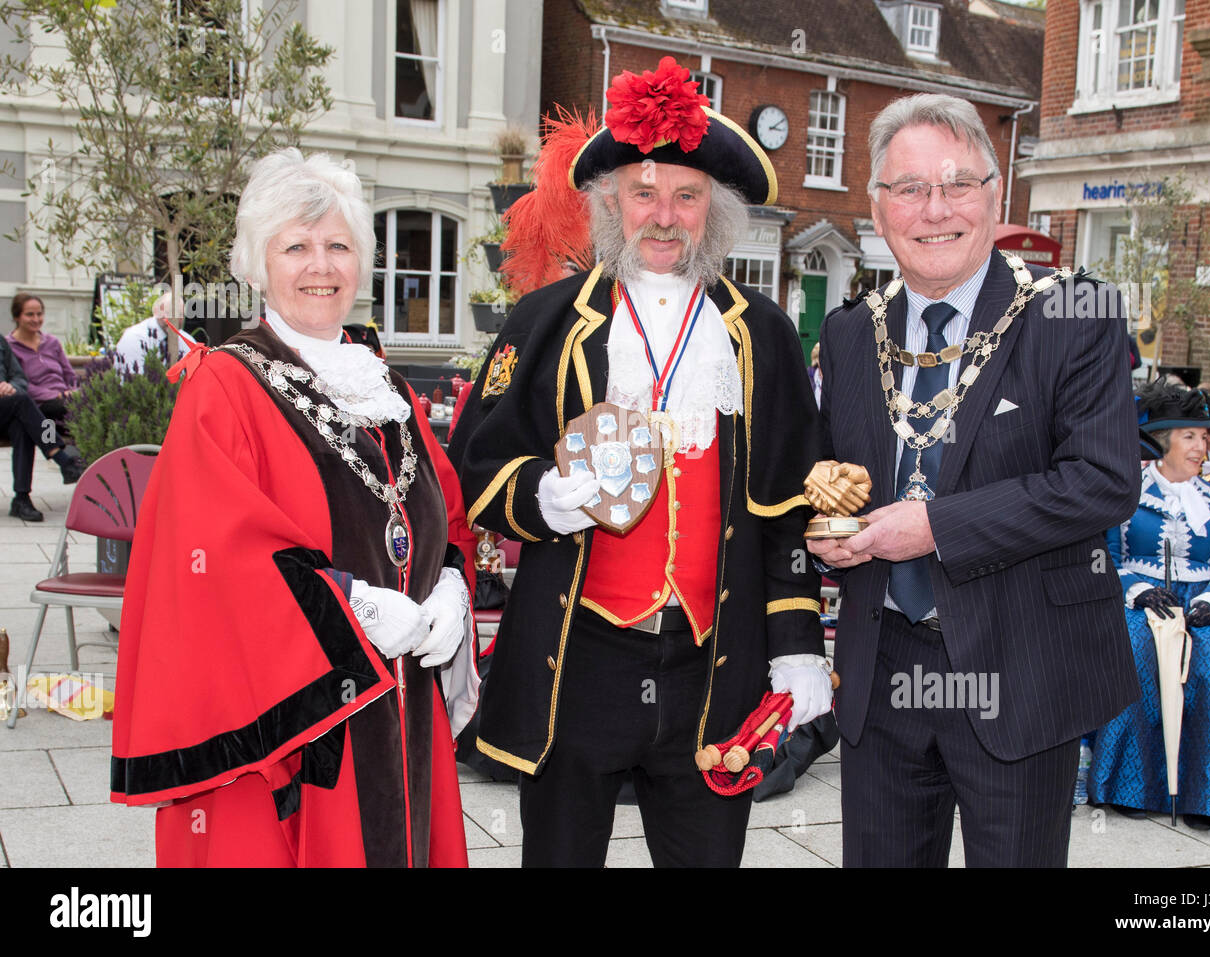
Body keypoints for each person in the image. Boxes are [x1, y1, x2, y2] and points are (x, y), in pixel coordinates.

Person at [452, 56, 829, 867]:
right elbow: (475, 464)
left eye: (687, 195)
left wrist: (798, 642)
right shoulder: (545, 321)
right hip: (577, 663)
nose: (665, 217)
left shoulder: (759, 335)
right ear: (611, 206)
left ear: (715, 210)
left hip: (713, 664)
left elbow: (793, 501)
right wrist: (544, 497)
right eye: (644, 193)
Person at [110, 149, 478, 867]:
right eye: (297, 246)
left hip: (406, 706)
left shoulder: (385, 384)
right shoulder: (226, 384)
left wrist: (454, 585)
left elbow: (442, 511)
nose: (322, 264)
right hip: (302, 733)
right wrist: (359, 607)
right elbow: (215, 558)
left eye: (339, 245)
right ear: (256, 264)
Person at [809, 93, 1140, 867]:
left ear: (997, 195)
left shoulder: (1073, 316)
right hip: (883, 669)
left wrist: (933, 527)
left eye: (959, 184)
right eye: (911, 188)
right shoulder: (852, 331)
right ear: (878, 207)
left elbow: (1102, 481)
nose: (935, 209)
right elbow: (834, 476)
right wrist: (826, 529)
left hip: (1020, 666)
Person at [1088, 381, 1210, 829]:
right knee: (1137, 651)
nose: (1202, 446)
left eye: (1204, 437)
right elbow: (1105, 557)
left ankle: (1201, 794)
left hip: (1199, 603)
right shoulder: (1128, 492)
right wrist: (1140, 590)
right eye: (1190, 436)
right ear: (1164, 442)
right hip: (1138, 597)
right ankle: (1128, 787)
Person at [1, 331, 85, 522]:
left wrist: (12, 387)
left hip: (16, 410)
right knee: (23, 403)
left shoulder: (1, 343)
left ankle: (21, 498)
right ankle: (63, 459)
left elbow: (19, 378)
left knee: (21, 426)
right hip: (40, 406)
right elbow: (29, 388)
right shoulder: (12, 343)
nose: (36, 319)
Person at [7, 293, 79, 443]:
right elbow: (21, 384)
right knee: (67, 413)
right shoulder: (9, 347)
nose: (36, 319)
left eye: (39, 314)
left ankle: (74, 460)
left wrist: (74, 391)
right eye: (29, 314)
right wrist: (57, 396)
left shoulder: (52, 342)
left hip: (66, 402)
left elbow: (69, 374)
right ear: (16, 317)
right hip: (39, 405)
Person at [112, 291, 191, 376]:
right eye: (169, 313)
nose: (173, 318)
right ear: (156, 312)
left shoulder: (188, 342)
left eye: (179, 314)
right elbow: (134, 380)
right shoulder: (134, 338)